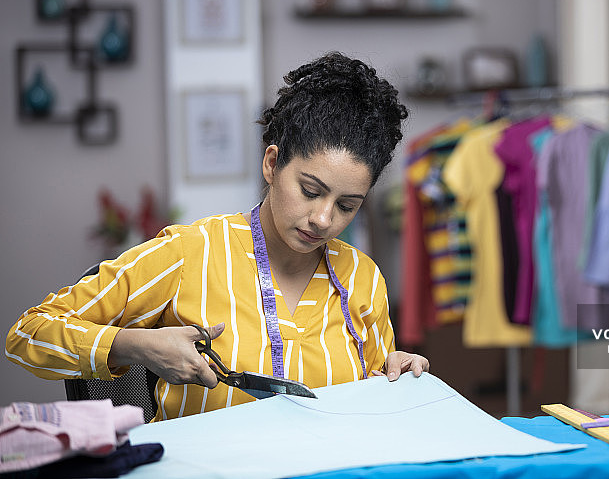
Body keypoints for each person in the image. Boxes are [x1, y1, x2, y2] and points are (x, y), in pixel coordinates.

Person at [6, 52, 429, 421]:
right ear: (271, 163)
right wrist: (137, 345)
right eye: (310, 191)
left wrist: (397, 374)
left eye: (346, 205)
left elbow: (374, 400)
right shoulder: (190, 254)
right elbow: (28, 335)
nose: (322, 219)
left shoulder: (363, 278)